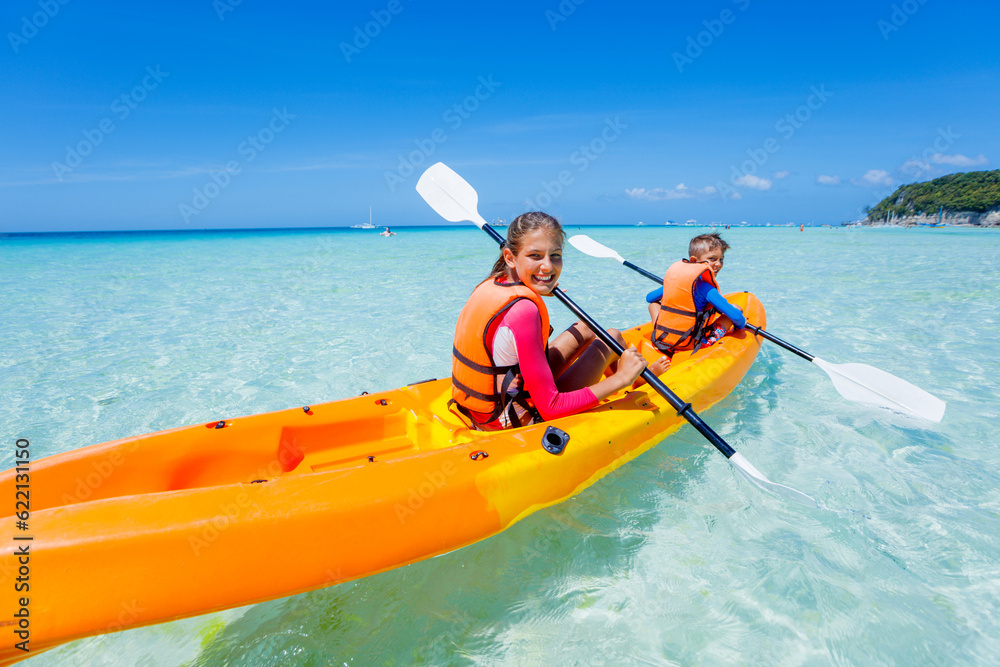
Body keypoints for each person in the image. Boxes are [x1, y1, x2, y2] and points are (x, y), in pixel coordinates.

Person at [451, 212, 668, 431]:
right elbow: (551, 408)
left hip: (486, 407)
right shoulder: (524, 310)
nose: (548, 266)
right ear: (510, 257)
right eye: (535, 256)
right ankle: (629, 378)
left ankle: (630, 374)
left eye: (555, 255)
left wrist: (536, 286)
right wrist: (620, 379)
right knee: (612, 337)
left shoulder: (492, 284)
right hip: (516, 420)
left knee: (585, 328)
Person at [646, 232, 747, 356]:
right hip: (692, 344)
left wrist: (667, 285)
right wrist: (741, 326)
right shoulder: (707, 289)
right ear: (694, 260)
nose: (719, 264)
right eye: (712, 259)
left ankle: (662, 331)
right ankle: (707, 340)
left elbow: (650, 298)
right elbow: (736, 317)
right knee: (737, 308)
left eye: (721, 260)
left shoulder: (676, 281)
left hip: (663, 340)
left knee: (653, 304)